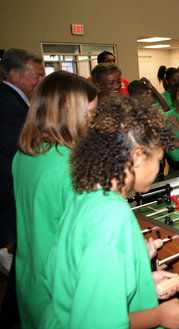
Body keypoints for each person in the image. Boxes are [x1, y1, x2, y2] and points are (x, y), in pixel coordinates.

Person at [39, 96, 179, 328]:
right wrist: (160, 316)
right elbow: (96, 323)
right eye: (159, 160)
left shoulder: (87, 193)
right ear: (136, 158)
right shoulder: (113, 217)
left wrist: (142, 282)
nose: (159, 169)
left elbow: (73, 277)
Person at [12, 71, 98, 328]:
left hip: (31, 282)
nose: (94, 121)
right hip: (64, 291)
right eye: (91, 113)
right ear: (67, 110)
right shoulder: (73, 165)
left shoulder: (26, 153)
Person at [0, 47, 45, 328]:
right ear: (14, 75)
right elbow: (10, 156)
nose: (39, 81)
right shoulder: (8, 104)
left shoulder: (14, 100)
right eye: (36, 76)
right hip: (13, 195)